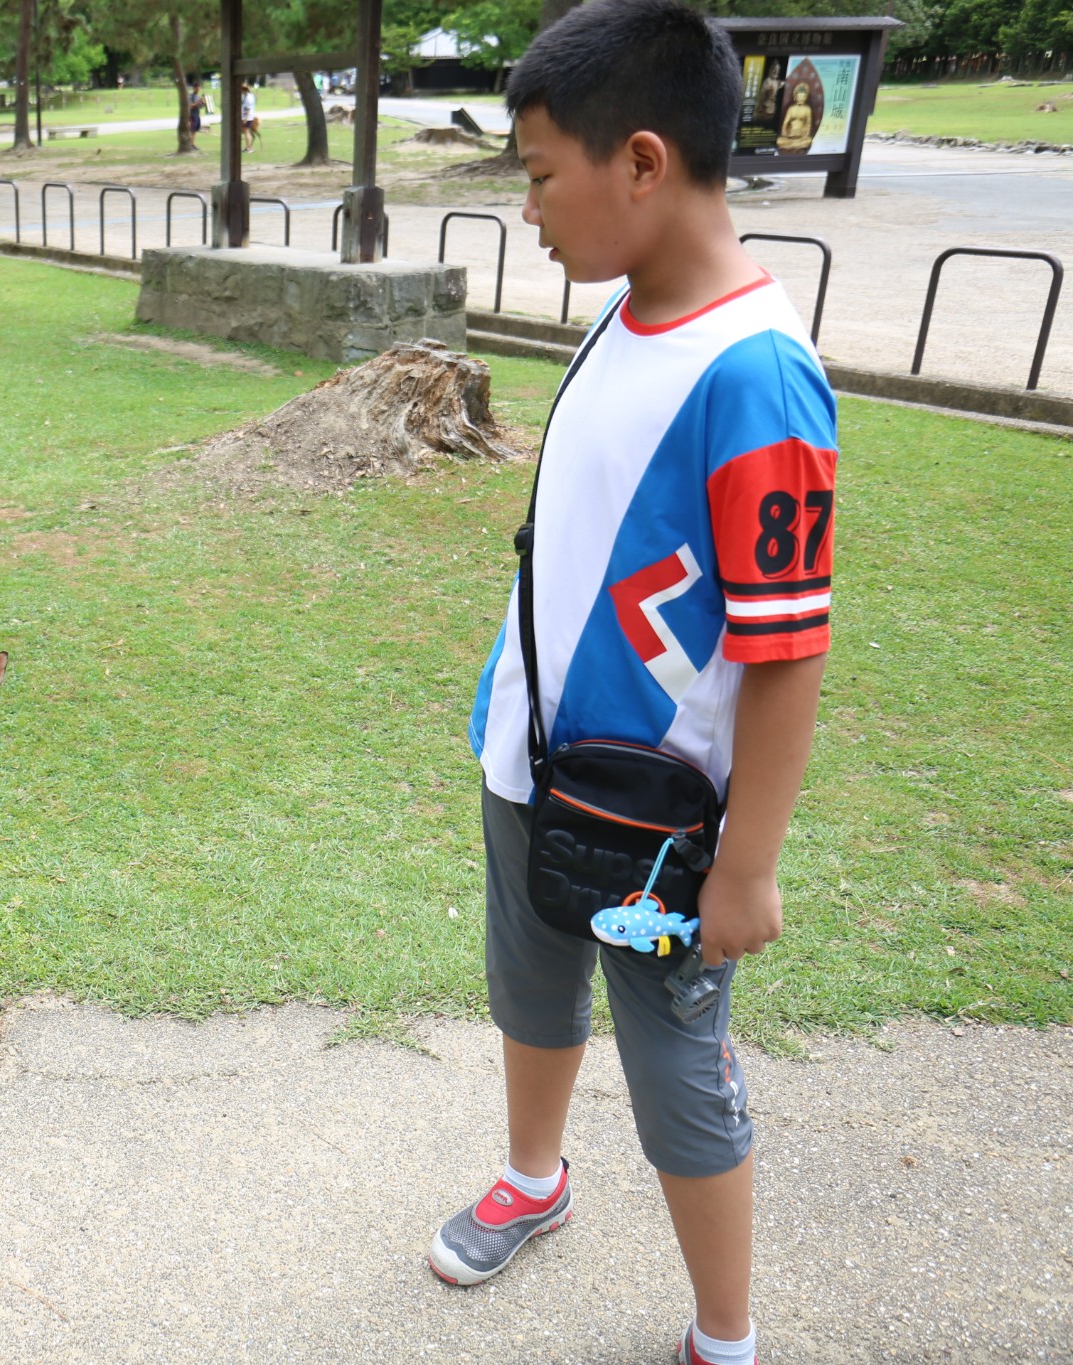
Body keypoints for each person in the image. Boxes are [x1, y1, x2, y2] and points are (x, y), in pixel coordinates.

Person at [439, 6, 836, 1365]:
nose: (532, 209)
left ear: (646, 163)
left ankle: (724, 1335)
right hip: (531, 754)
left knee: (679, 1075)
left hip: (662, 831)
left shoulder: (759, 379)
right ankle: (534, 1178)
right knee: (529, 987)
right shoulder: (624, 310)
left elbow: (788, 648)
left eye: (542, 175)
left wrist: (748, 868)